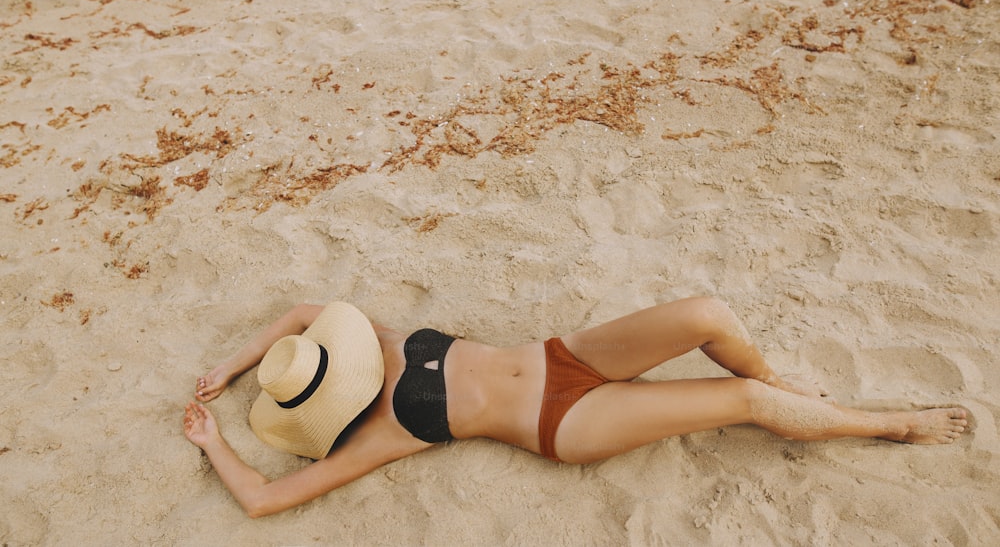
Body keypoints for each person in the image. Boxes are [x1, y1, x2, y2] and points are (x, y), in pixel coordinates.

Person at [183, 297, 968, 518]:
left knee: (708, 315)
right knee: (745, 399)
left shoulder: (377, 340)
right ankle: (891, 421)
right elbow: (262, 499)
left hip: (564, 357)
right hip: (563, 427)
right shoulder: (380, 434)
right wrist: (214, 441)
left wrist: (232, 361)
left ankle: (804, 397)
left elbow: (297, 311)